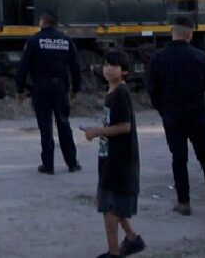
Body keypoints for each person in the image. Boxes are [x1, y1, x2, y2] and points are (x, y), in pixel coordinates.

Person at [147, 16, 205, 216]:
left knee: (178, 159)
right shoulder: (199, 56)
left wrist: (163, 109)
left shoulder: (158, 57)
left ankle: (184, 203)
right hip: (197, 114)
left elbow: (152, 90)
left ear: (172, 31)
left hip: (172, 115)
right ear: (190, 34)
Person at [84, 49, 145, 258]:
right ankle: (132, 239)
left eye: (114, 66)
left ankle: (114, 252)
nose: (109, 69)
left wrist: (97, 132)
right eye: (107, 64)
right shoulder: (112, 92)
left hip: (120, 159)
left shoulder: (121, 94)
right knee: (113, 204)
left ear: (125, 71)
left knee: (109, 207)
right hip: (109, 155)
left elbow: (125, 126)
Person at [15, 12, 83, 174]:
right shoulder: (66, 41)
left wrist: (20, 89)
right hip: (60, 87)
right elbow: (75, 68)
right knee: (64, 123)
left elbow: (23, 67)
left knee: (45, 127)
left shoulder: (34, 41)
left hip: (41, 88)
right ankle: (72, 163)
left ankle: (48, 165)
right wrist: (76, 89)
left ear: (43, 22)